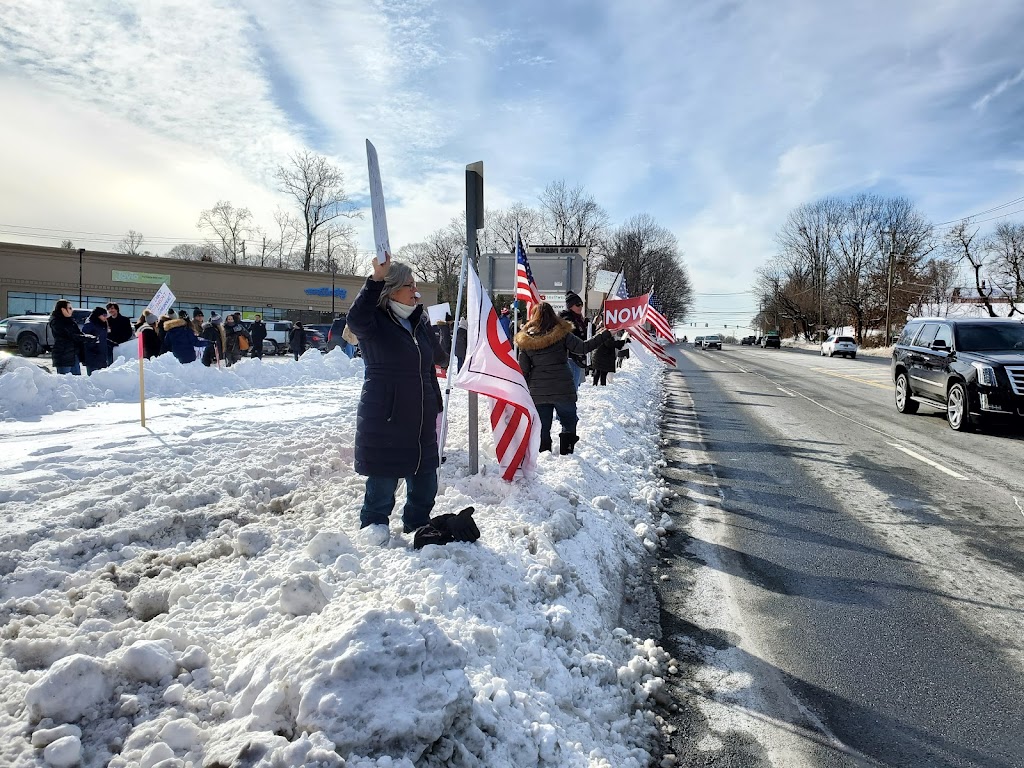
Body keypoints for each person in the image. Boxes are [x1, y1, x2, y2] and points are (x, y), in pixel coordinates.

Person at [347, 254, 449, 546]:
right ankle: (374, 528)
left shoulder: (418, 321)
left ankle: (418, 524)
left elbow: (432, 362)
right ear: (390, 290)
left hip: (420, 416)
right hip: (386, 415)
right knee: (383, 480)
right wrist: (375, 279)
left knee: (426, 480)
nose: (416, 292)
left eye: (416, 286)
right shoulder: (374, 323)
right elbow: (356, 319)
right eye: (409, 286)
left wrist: (435, 404)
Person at [515, 302, 611, 455]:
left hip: (539, 392)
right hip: (563, 388)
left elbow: (524, 371)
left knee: (542, 425)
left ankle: (544, 452)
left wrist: (523, 393)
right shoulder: (562, 334)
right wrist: (605, 333)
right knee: (568, 420)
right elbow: (583, 348)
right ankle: (567, 450)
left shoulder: (526, 341)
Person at [48, 299, 88, 375]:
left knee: (77, 381)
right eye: (69, 308)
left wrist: (87, 337)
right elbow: (70, 335)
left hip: (73, 355)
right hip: (63, 356)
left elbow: (78, 334)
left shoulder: (71, 321)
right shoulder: (56, 322)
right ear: (63, 309)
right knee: (65, 382)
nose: (71, 310)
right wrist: (86, 338)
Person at [559, 291, 589, 389]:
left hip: (577, 357)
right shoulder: (568, 320)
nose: (580, 307)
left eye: (581, 304)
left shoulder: (578, 319)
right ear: (570, 306)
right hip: (571, 357)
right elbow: (576, 338)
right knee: (572, 386)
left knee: (575, 385)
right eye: (578, 305)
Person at [81, 306, 111, 375]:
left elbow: (102, 338)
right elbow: (84, 339)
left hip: (102, 356)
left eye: (106, 315)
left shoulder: (102, 325)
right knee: (93, 378)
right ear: (98, 315)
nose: (105, 317)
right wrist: (93, 345)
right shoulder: (89, 324)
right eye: (104, 315)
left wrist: (110, 343)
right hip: (92, 357)